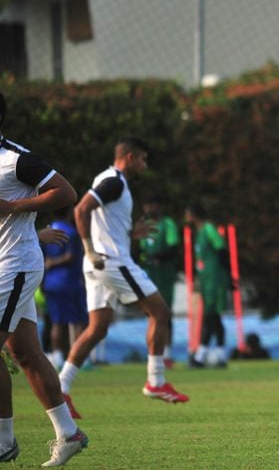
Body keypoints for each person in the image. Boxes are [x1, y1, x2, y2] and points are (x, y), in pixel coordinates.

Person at [58, 136, 189, 419]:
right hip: (111, 262)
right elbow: (81, 209)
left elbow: (103, 223)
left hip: (99, 263)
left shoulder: (106, 179)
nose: (144, 165)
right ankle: (156, 381)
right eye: (143, 159)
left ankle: (61, 389)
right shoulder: (115, 181)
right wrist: (89, 249)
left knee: (97, 329)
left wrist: (129, 233)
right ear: (130, 157)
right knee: (160, 312)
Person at [0, 92, 88, 466]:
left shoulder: (16, 159)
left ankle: (3, 441)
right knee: (26, 354)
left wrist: (14, 207)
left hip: (14, 265)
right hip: (7, 263)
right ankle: (68, 433)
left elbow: (65, 192)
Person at [42, 206, 88, 370]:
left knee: (57, 321)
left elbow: (43, 257)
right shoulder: (71, 232)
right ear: (69, 213)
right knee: (79, 320)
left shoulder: (47, 232)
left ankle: (58, 357)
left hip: (50, 282)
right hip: (69, 282)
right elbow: (71, 256)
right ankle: (79, 359)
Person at [185, 203, 230, 368]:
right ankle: (220, 355)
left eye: (188, 214)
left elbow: (221, 249)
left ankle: (200, 355)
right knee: (214, 317)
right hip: (206, 280)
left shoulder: (209, 229)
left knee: (209, 316)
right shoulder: (199, 233)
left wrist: (227, 275)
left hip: (215, 280)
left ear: (194, 214)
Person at [139, 197, 179, 367]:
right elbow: (141, 251)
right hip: (148, 276)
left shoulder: (167, 224)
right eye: (146, 205)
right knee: (151, 315)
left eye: (151, 205)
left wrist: (158, 258)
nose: (148, 209)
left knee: (164, 314)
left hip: (164, 277)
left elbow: (173, 248)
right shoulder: (144, 225)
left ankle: (167, 354)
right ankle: (153, 354)